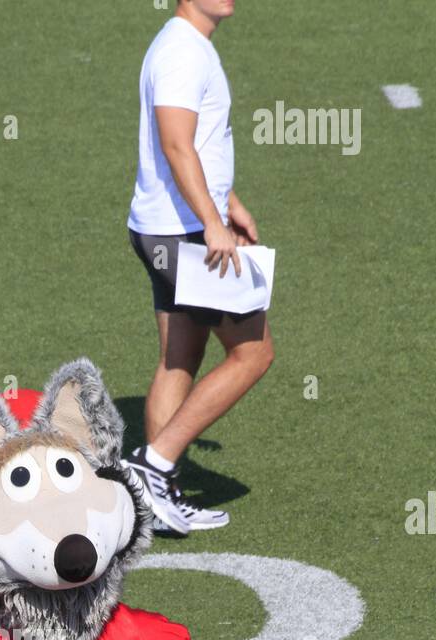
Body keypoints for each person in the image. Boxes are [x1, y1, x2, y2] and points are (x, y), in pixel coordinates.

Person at [126, 0, 274, 534]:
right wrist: (213, 223)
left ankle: (158, 497)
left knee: (178, 360)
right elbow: (175, 145)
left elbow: (200, 147)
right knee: (254, 352)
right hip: (182, 233)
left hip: (170, 227)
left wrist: (228, 203)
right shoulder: (181, 52)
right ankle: (152, 465)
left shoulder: (190, 46)